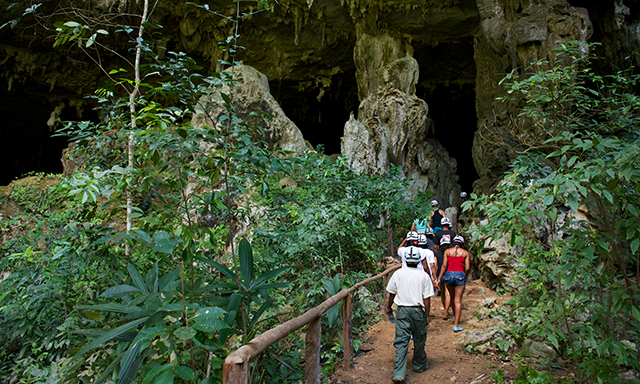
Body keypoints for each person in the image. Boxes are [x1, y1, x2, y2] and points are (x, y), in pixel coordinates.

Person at [386, 247, 434, 383]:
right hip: (418, 310)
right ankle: (419, 365)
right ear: (418, 260)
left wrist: (389, 307)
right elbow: (427, 298)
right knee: (420, 338)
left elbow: (391, 293)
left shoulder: (398, 274)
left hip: (402, 311)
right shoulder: (423, 275)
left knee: (402, 341)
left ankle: (398, 373)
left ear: (406, 259)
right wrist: (427, 315)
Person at [437, 235, 471, 332]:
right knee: (458, 300)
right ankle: (456, 325)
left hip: (448, 275)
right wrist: (465, 275)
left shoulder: (447, 252)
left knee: (452, 297)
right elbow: (467, 268)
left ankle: (454, 315)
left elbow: (444, 265)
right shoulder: (465, 253)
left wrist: (439, 278)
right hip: (460, 274)